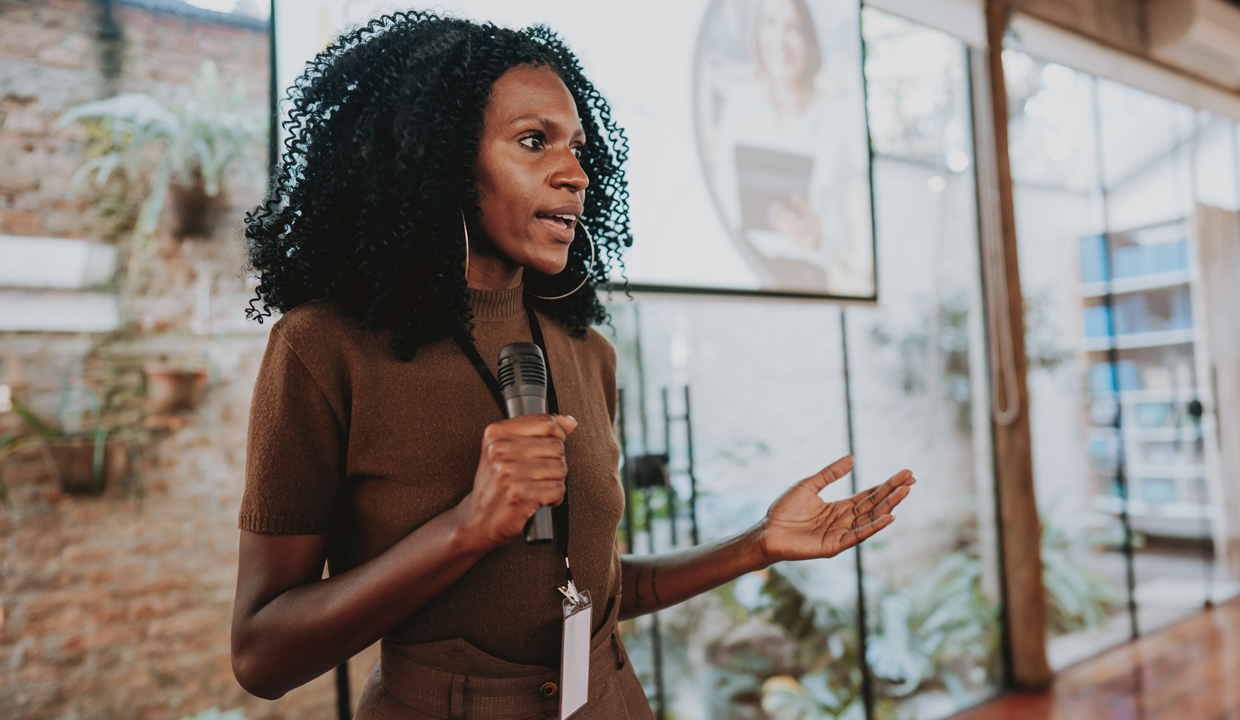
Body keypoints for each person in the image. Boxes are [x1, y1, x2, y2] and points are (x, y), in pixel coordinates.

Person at [232, 12, 914, 719]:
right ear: (439, 157)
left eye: (578, 148)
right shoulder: (322, 350)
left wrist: (758, 546)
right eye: (535, 142)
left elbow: (596, 588)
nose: (576, 173)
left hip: (610, 699)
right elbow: (261, 654)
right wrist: (468, 526)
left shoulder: (587, 351)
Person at [707, 0, 873, 295]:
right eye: (770, 23)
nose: (779, 41)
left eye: (793, 28)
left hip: (805, 282)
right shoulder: (739, 105)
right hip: (738, 273)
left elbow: (839, 237)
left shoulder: (833, 126)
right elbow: (719, 197)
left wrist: (815, 238)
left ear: (809, 39)